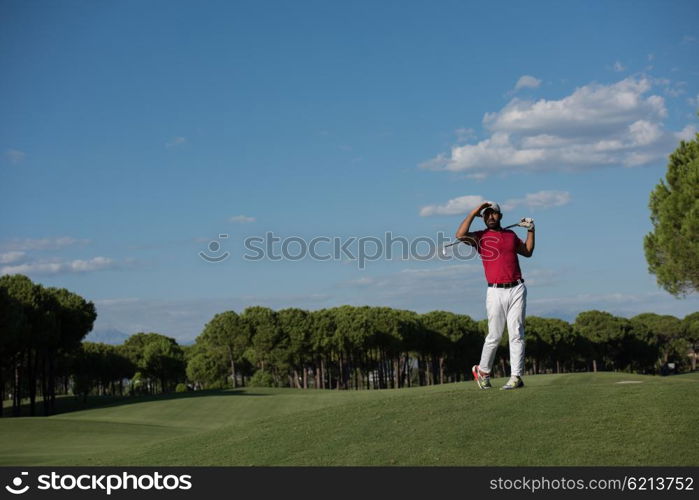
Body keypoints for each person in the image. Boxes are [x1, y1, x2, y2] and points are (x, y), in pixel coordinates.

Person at [455, 201, 535, 390]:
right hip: (495, 290)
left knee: (516, 334)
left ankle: (516, 376)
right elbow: (459, 235)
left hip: (517, 288)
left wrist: (531, 230)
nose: (490, 217)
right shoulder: (480, 237)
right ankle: (483, 371)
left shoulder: (510, 234)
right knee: (495, 336)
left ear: (500, 216)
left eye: (494, 214)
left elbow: (528, 252)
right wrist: (475, 210)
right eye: (486, 214)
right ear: (482, 218)